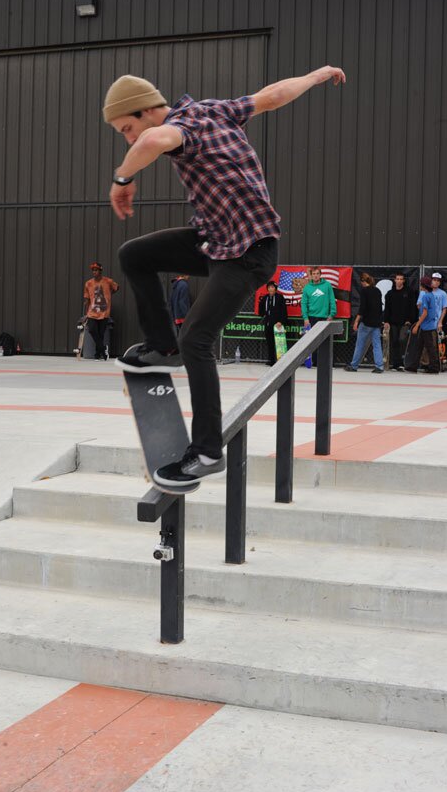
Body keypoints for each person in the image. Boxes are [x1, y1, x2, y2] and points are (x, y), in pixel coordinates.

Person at [103, 66, 346, 488]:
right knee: (134, 255)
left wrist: (122, 179)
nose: (129, 139)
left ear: (146, 112)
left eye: (127, 129)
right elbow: (272, 95)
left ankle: (207, 452)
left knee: (196, 339)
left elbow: (154, 141)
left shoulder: (179, 128)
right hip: (214, 240)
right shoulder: (216, 109)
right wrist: (317, 76)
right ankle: (162, 347)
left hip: (248, 255)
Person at [344, 272, 384, 373]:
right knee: (377, 344)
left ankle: (354, 365)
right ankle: (379, 366)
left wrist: (356, 321)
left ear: (363, 281)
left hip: (366, 322)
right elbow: (380, 307)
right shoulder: (377, 291)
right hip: (376, 322)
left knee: (360, 344)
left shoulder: (364, 291)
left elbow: (362, 308)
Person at [301, 266, 336, 366]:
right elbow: (303, 303)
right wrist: (305, 318)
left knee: (324, 341)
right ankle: (314, 362)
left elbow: (332, 300)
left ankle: (325, 363)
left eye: (317, 274)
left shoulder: (327, 285)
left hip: (324, 318)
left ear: (320, 275)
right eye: (314, 274)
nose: (315, 276)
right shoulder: (307, 287)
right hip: (311, 317)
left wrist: (331, 314)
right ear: (311, 276)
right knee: (312, 341)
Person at [83, 263, 119, 360]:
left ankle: (97, 354)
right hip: (92, 312)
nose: (94, 272)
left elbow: (116, 287)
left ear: (100, 271)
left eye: (96, 270)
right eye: (93, 270)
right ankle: (103, 350)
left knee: (100, 334)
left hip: (104, 312)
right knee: (92, 330)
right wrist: (86, 313)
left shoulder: (108, 281)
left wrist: (109, 294)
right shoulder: (88, 283)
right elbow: (87, 299)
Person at [405, 276, 440, 374]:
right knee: (419, 346)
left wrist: (417, 325)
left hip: (426, 326)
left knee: (429, 348)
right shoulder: (431, 295)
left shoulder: (425, 296)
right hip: (428, 325)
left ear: (424, 286)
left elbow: (425, 313)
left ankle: (434, 367)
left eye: (421, 284)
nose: (420, 286)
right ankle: (413, 366)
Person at [383, 272, 417, 370]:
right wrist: (386, 321)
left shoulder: (409, 292)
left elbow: (412, 307)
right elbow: (387, 308)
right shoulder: (390, 294)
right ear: (394, 280)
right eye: (397, 279)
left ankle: (404, 362)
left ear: (404, 281)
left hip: (405, 323)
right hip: (393, 322)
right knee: (394, 341)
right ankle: (396, 364)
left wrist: (410, 320)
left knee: (402, 340)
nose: (399, 281)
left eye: (401, 279)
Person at [257, 280, 288, 365]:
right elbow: (261, 311)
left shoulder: (280, 297)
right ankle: (271, 360)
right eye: (269, 287)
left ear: (275, 289)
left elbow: (284, 311)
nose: (271, 289)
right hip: (268, 324)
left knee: (279, 343)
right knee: (269, 342)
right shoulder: (265, 298)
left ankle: (281, 361)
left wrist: (281, 321)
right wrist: (262, 311)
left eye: (272, 287)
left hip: (278, 324)